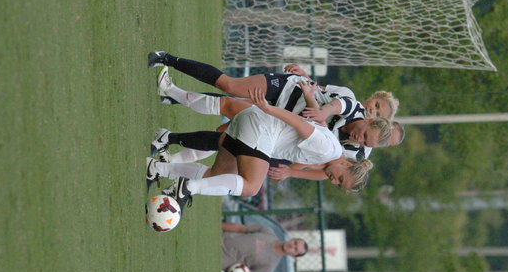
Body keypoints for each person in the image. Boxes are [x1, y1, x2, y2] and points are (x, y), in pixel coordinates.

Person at [148, 88, 373, 212]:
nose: (333, 181)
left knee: (216, 177)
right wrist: (268, 109)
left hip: (255, 125)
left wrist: (308, 98)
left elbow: (318, 122)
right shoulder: (328, 151)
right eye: (340, 179)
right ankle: (187, 187)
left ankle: (157, 168)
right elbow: (299, 123)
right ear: (346, 163)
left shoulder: (329, 153)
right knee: (251, 187)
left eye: (338, 185)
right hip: (261, 127)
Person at [148, 50, 401, 129]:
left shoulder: (354, 134)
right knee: (230, 85)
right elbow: (323, 93)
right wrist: (304, 76)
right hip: (285, 88)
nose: (373, 111)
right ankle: (166, 58)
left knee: (226, 116)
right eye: (377, 105)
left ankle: (172, 96)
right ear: (374, 97)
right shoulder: (350, 98)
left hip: (278, 115)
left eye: (379, 114)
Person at [222, 221, 308, 272]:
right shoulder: (268, 232)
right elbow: (240, 228)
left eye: (295, 249)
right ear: (293, 239)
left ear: (293, 256)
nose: (292, 246)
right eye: (295, 243)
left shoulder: (270, 265)